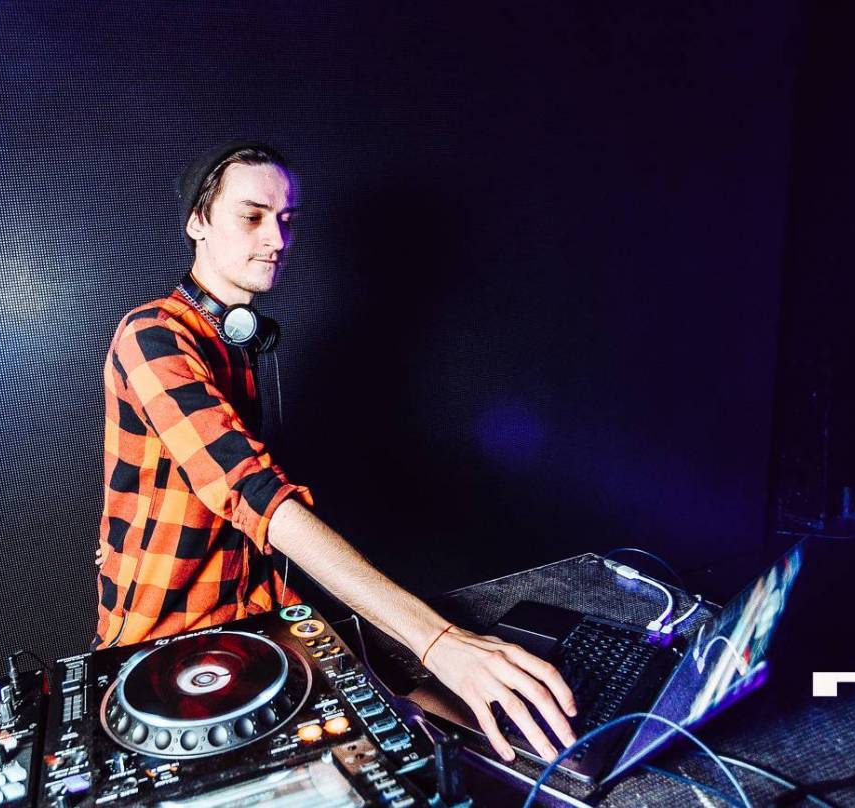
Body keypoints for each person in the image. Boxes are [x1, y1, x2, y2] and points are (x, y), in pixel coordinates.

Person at [93, 139, 577, 763]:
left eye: (285, 219)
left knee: (444, 727)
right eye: (251, 216)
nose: (277, 239)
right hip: (166, 644)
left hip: (255, 610)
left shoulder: (234, 346)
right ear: (198, 223)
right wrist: (440, 641)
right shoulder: (151, 337)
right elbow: (255, 495)